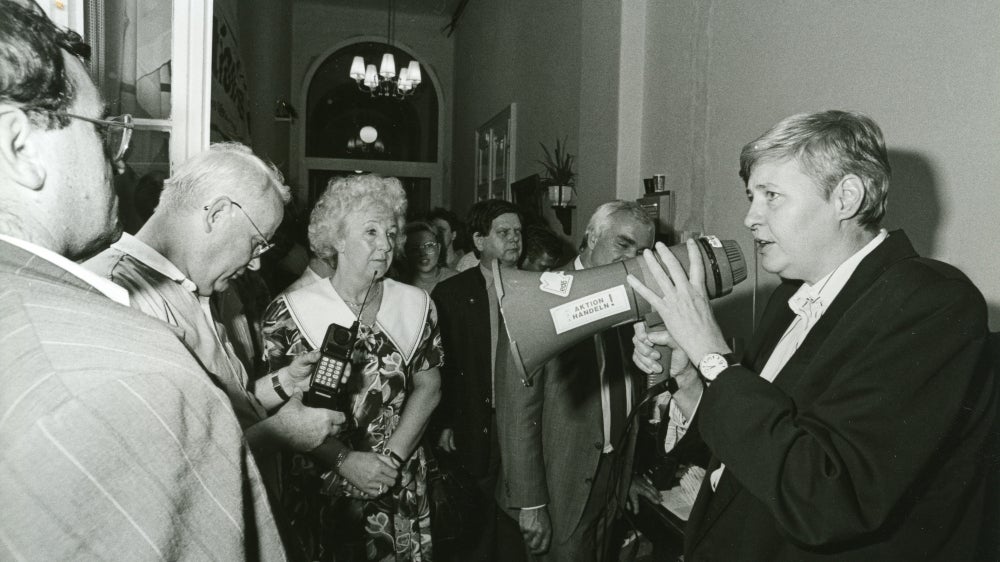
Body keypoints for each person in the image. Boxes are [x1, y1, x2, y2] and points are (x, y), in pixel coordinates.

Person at [629, 110, 997, 560]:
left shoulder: (932, 302)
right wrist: (692, 379)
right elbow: (757, 445)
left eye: (771, 196)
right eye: (751, 196)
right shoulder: (790, 299)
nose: (749, 218)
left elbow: (828, 498)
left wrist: (711, 354)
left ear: (846, 198)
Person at [0, 2, 285, 558]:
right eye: (104, 131)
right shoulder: (114, 364)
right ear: (20, 147)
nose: (120, 160)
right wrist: (283, 434)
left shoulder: (207, 299)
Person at [85, 143, 344, 498]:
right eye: (256, 243)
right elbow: (155, 469)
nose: (255, 263)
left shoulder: (199, 291)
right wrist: (280, 434)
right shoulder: (119, 296)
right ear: (218, 213)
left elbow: (220, 409)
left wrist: (285, 381)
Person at [262, 173, 442, 562]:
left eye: (391, 233)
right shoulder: (289, 311)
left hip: (397, 477)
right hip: (323, 480)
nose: (385, 245)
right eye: (371, 232)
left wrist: (391, 461)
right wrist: (344, 462)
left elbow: (430, 387)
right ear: (337, 240)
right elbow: (280, 409)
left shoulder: (417, 303)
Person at [495, 201, 658, 561]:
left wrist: (624, 475)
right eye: (624, 244)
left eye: (643, 252)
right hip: (556, 492)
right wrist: (530, 503)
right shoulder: (541, 298)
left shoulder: (633, 298)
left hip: (610, 482)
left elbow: (625, 393)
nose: (633, 259)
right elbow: (516, 412)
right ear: (590, 237)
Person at [431, 199, 525, 561]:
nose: (514, 240)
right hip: (472, 423)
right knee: (475, 527)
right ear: (479, 240)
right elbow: (441, 366)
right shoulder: (452, 294)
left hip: (520, 424)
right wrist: (445, 423)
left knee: (516, 525)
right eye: (503, 233)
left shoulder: (538, 289)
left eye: (517, 232)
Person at [402, 221, 458, 293]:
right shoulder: (399, 286)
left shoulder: (456, 279)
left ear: (439, 248)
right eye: (414, 249)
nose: (423, 253)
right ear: (406, 253)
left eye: (429, 246)